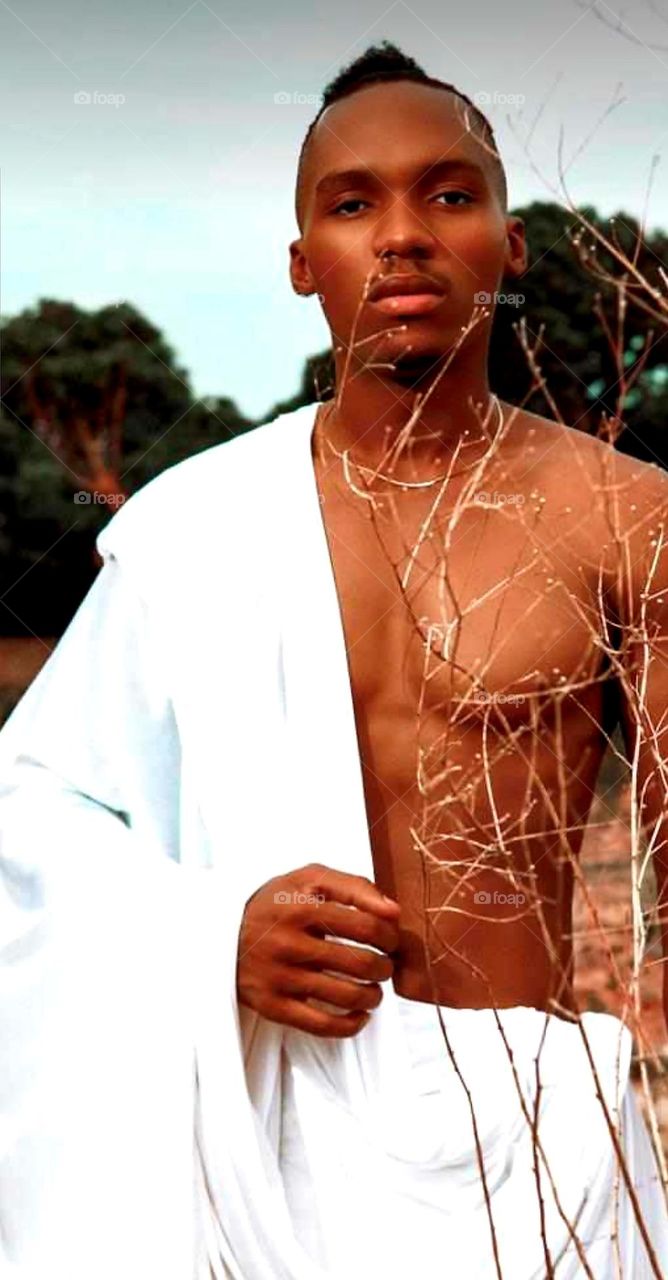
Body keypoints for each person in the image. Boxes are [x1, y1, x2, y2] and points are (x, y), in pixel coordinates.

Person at [1, 39, 667, 1280]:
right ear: (302, 260)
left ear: (510, 242)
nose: (401, 235)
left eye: (448, 194)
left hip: (536, 1145)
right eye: (352, 205)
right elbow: (28, 808)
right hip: (262, 1147)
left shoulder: (625, 519)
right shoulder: (194, 526)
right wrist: (210, 932)